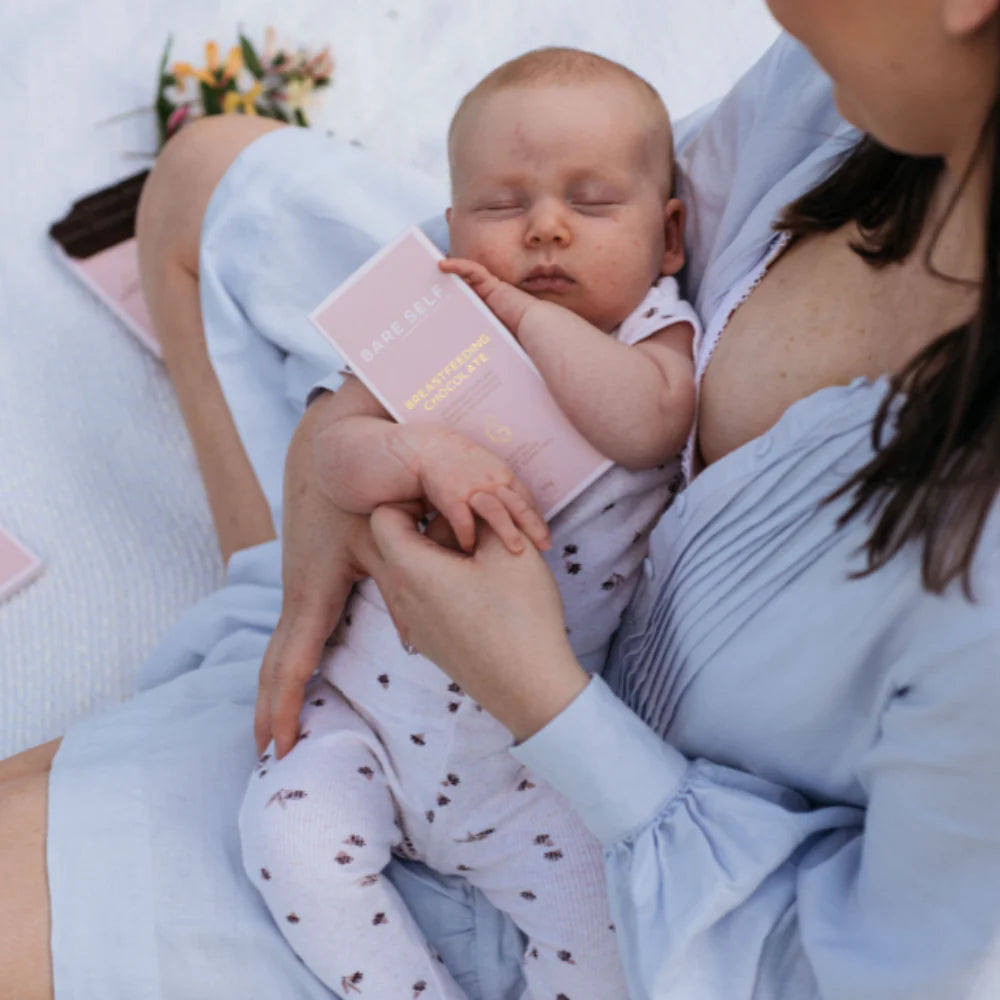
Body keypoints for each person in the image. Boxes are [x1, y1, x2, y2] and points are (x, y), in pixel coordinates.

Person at [1, 1, 998, 997]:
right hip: (409, 607)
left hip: (594, 827)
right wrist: (334, 462)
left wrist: (535, 692)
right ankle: (274, 636)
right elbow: (587, 211)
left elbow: (842, 972)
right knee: (201, 180)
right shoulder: (858, 95)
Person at [237, 48, 698, 1000]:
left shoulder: (652, 334)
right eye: (501, 206)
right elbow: (333, 450)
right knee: (284, 835)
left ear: (671, 234)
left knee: (611, 931)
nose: (544, 230)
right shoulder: (435, 320)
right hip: (360, 714)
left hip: (534, 765)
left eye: (592, 202)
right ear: (451, 228)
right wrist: (412, 454)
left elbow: (649, 422)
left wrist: (526, 324)